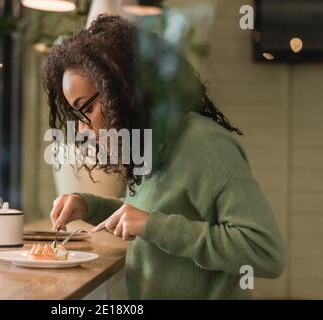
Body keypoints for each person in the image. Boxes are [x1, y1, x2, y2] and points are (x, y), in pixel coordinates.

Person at [42, 14, 285, 299]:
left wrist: (152, 226)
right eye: (75, 114)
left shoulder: (203, 143)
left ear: (120, 91)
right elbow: (160, 213)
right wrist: (89, 206)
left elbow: (265, 252)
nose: (82, 128)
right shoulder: (154, 144)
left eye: (85, 109)